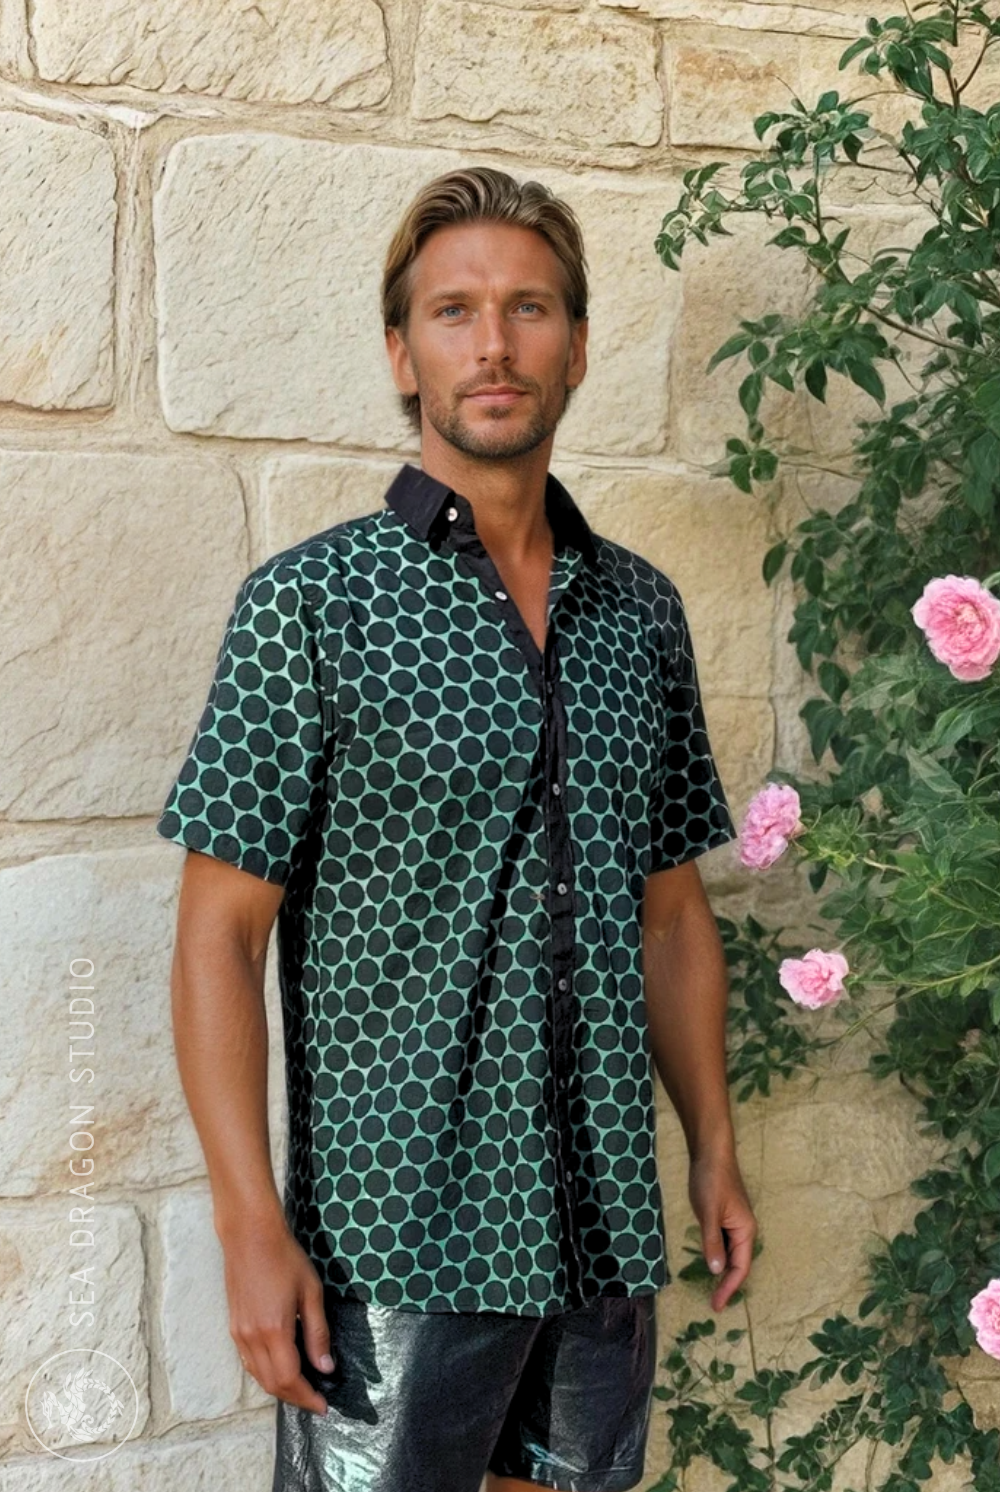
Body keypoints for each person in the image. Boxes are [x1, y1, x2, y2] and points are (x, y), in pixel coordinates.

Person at [155, 165, 758, 1492]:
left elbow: (669, 911)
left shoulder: (641, 618)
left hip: (599, 1231)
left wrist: (711, 1145)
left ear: (580, 346)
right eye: (454, 311)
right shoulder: (310, 609)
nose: (494, 343)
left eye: (530, 308)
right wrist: (251, 1224)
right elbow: (217, 937)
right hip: (393, 1244)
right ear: (401, 353)